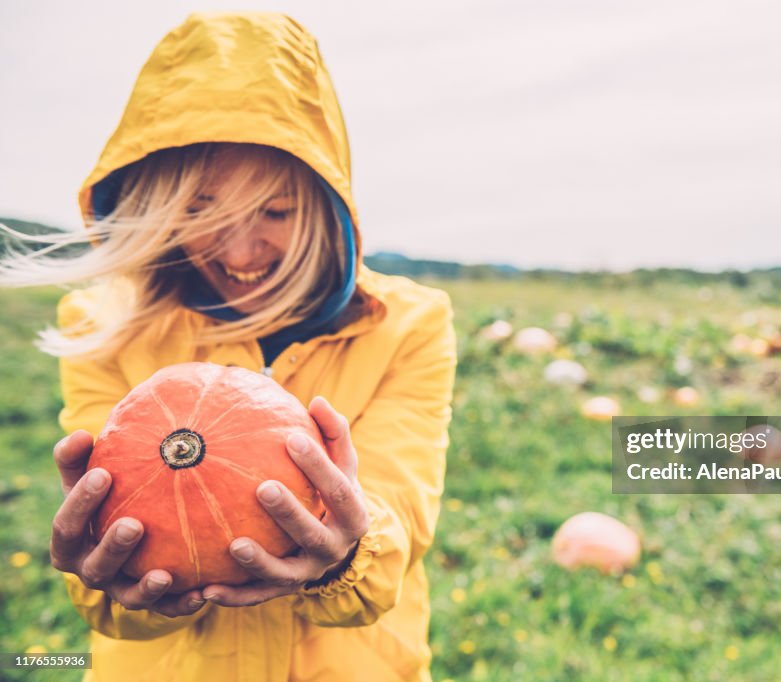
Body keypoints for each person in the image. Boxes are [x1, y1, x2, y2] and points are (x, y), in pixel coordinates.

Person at [1, 11, 456, 681]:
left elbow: (400, 525)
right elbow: (111, 578)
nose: (242, 253)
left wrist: (348, 548)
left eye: (276, 211)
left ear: (327, 202)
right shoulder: (102, 326)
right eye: (202, 212)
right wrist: (111, 583)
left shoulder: (404, 324)